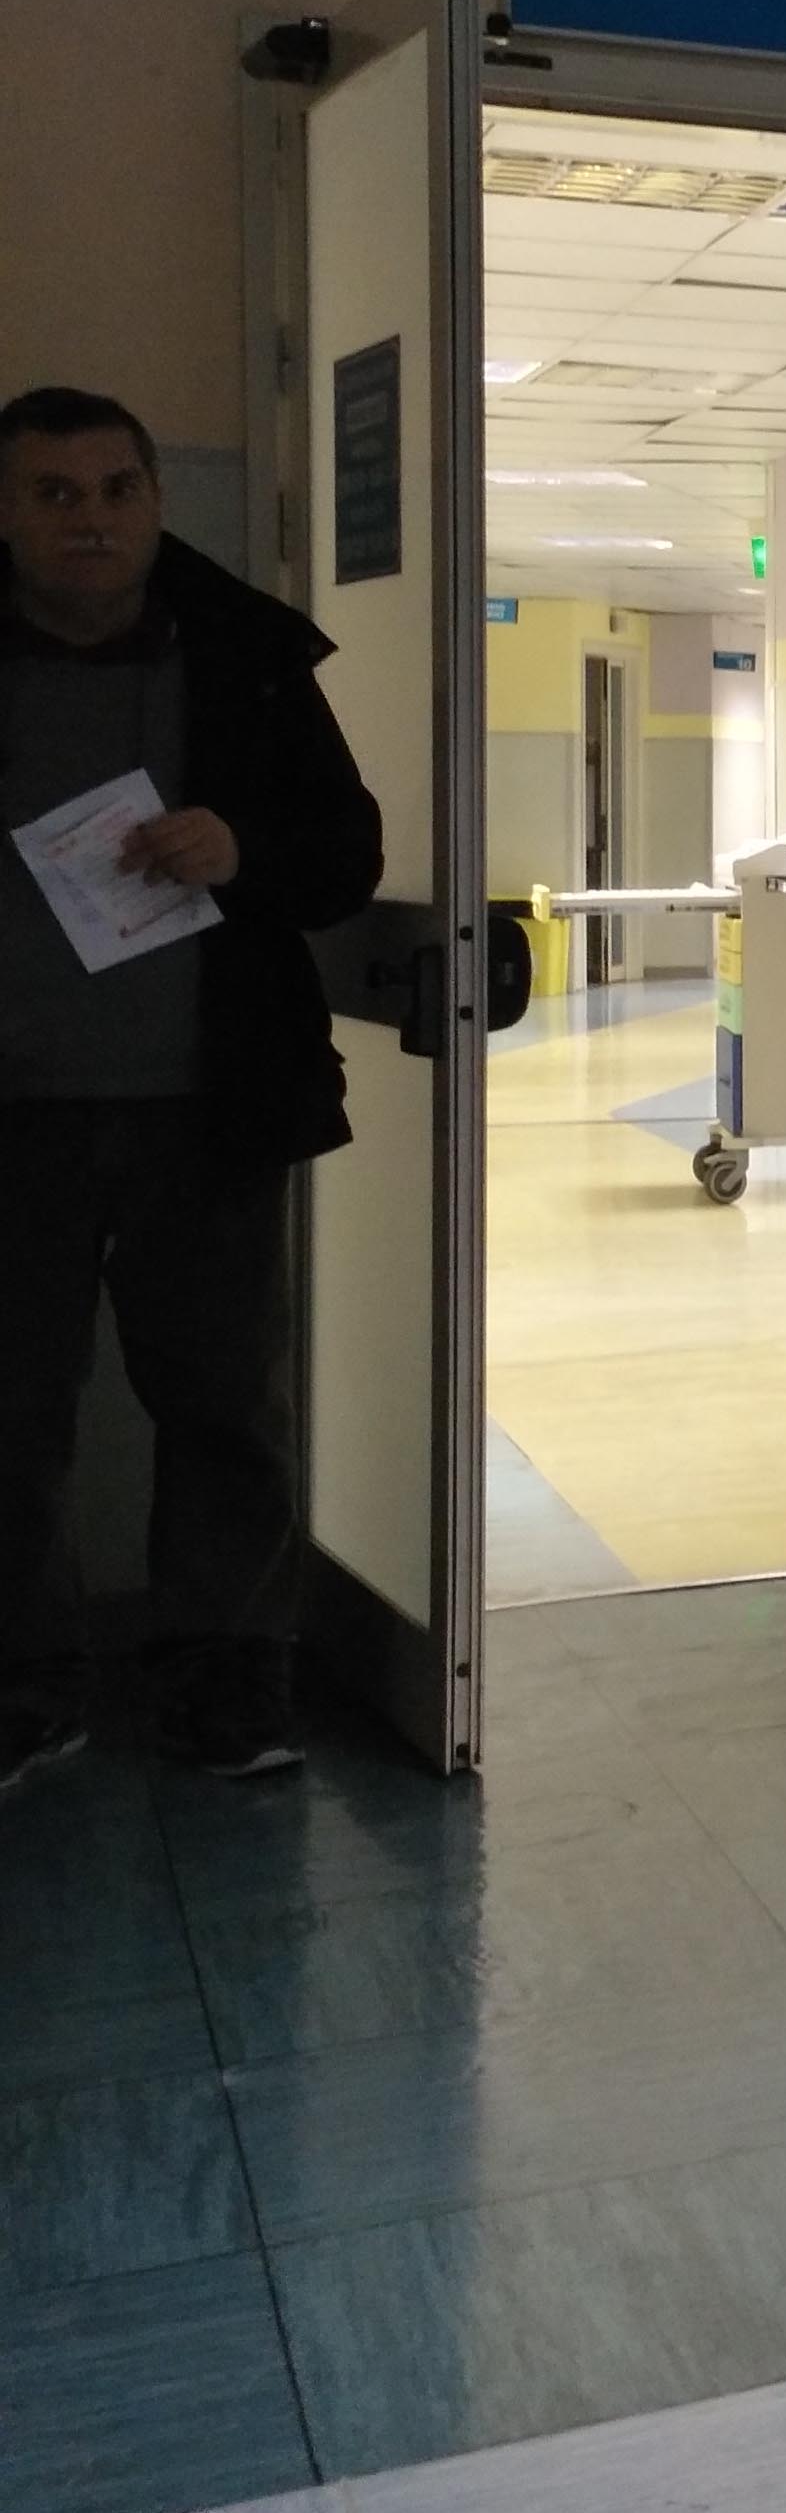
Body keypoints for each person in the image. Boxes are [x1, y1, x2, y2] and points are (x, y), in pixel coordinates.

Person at [1, 386, 383, 1792]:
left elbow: (343, 856)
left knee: (226, 1411)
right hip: (15, 1122)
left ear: (157, 501)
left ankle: (225, 1681)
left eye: (116, 490)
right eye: (53, 494)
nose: (89, 521)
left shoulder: (246, 658)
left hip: (206, 1112)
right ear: (7, 514)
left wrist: (243, 850)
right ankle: (26, 1684)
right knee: (10, 1421)